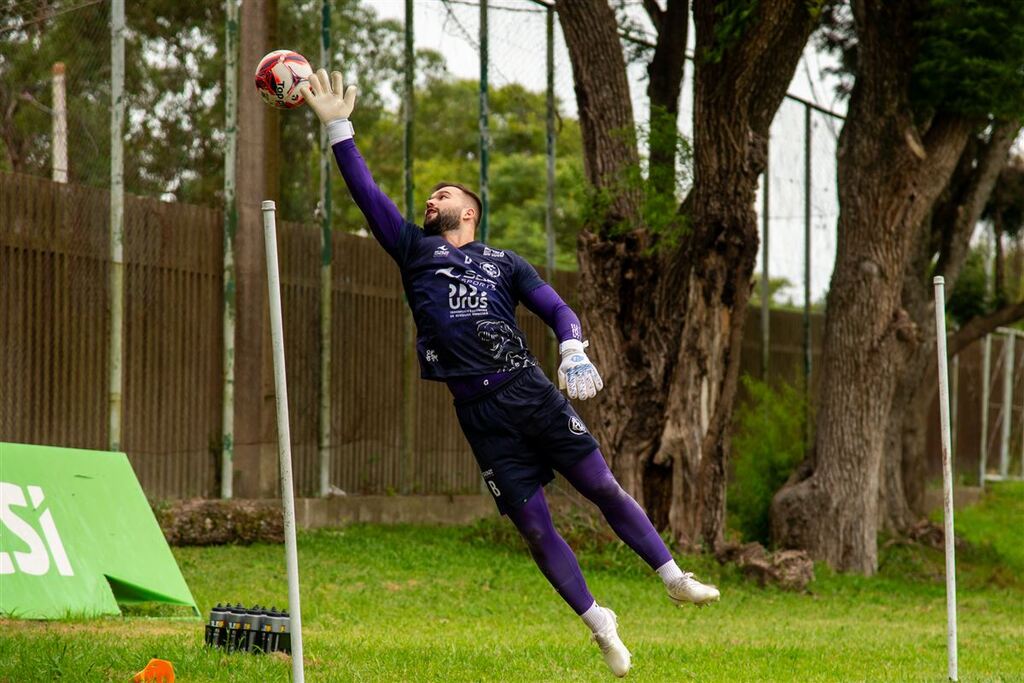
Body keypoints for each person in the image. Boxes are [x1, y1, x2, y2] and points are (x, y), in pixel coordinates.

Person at [300, 69, 720, 678]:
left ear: (468, 211)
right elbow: (368, 194)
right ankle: (600, 623)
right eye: (429, 198)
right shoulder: (414, 249)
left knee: (603, 488)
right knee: (533, 525)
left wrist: (572, 347)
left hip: (529, 390)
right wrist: (340, 129)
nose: (431, 201)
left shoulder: (504, 261)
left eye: (442, 195)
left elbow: (556, 307)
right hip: (479, 412)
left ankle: (673, 578)